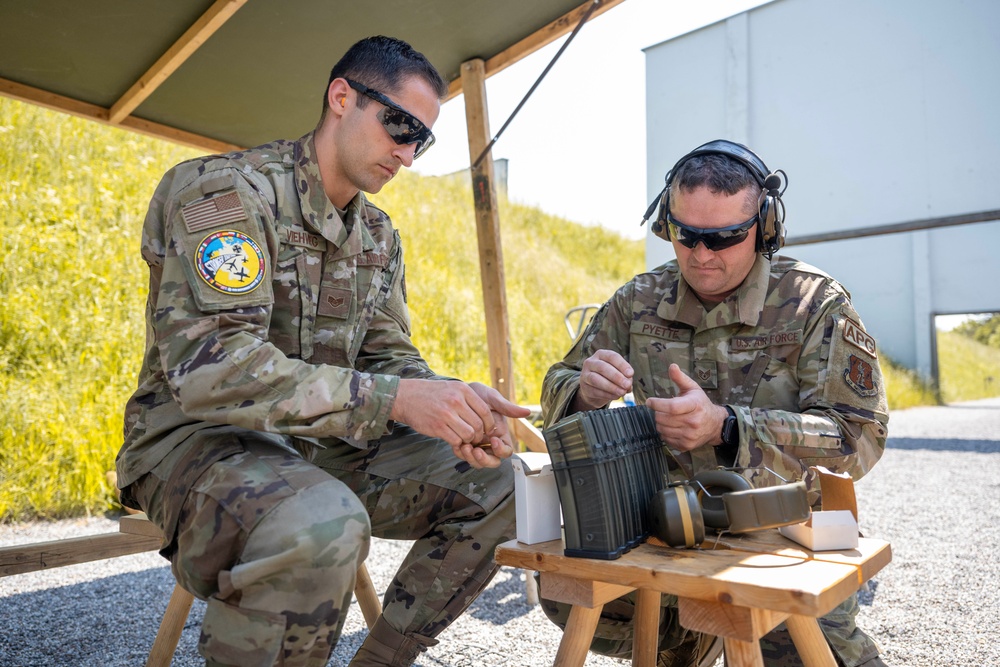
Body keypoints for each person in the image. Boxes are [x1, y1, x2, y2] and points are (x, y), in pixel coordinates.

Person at [116, 35, 530, 667]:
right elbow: (214, 370)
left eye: (424, 140)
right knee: (319, 522)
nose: (408, 153)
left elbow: (389, 357)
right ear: (342, 97)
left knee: (502, 483)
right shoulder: (227, 193)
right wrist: (396, 399)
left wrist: (452, 409)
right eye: (400, 126)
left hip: (318, 447)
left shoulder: (377, 236)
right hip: (195, 446)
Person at [539, 140, 889, 667]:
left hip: (784, 533)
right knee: (568, 593)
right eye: (686, 235)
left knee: (816, 654)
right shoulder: (638, 300)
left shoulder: (815, 303)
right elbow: (559, 381)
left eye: (725, 237)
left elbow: (857, 439)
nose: (702, 255)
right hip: (667, 528)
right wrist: (583, 391)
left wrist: (729, 428)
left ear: (764, 229)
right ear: (666, 224)